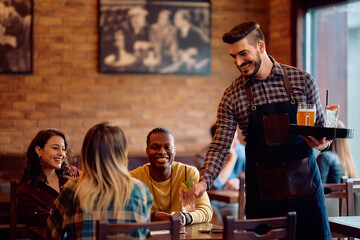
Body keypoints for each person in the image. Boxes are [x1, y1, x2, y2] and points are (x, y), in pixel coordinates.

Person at [192, 21, 332, 239]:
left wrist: (323, 144)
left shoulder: (302, 81)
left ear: (261, 46)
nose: (238, 62)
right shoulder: (232, 96)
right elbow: (220, 147)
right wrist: (203, 182)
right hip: (263, 199)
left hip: (307, 195)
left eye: (243, 54)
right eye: (233, 57)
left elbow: (322, 132)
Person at [46, 122, 153, 239]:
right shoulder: (139, 190)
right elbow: (144, 234)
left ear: (87, 154)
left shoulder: (72, 189)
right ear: (122, 153)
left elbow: (52, 235)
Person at [130, 127, 212, 226]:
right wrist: (156, 216)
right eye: (155, 147)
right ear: (147, 151)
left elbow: (206, 211)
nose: (161, 152)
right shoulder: (135, 177)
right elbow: (129, 212)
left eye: (167, 147)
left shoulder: (187, 174)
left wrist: (185, 217)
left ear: (174, 151)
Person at [16, 129, 81, 226]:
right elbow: (45, 223)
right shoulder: (27, 190)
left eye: (63, 149)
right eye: (55, 148)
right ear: (39, 150)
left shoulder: (73, 173)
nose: (61, 154)